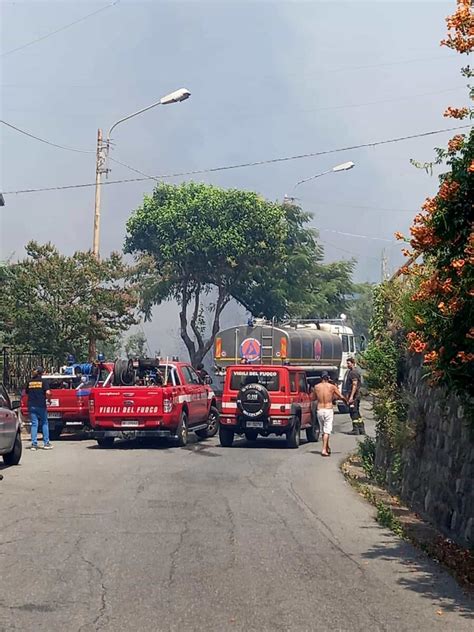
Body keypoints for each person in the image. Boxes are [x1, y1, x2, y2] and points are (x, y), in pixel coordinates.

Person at [312, 372, 346, 457]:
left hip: (319, 409)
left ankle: (327, 447)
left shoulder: (316, 387)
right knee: (327, 431)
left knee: (324, 430)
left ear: (321, 378)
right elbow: (340, 396)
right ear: (328, 378)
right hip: (328, 409)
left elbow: (313, 398)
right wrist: (347, 401)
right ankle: (324, 450)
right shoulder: (332, 387)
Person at [25, 367, 52, 451]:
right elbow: (48, 392)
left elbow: (26, 392)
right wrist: (49, 399)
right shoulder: (43, 382)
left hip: (31, 405)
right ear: (42, 373)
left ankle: (34, 444)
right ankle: (46, 443)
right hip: (41, 405)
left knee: (34, 424)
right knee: (44, 422)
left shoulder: (29, 382)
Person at [342, 357, 364, 435]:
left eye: (348, 363)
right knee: (357, 412)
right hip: (356, 396)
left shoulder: (353, 373)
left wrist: (351, 397)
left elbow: (354, 385)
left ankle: (356, 429)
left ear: (353, 363)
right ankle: (361, 428)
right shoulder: (354, 372)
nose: (347, 365)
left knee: (353, 412)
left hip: (354, 396)